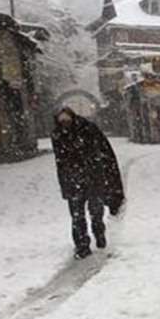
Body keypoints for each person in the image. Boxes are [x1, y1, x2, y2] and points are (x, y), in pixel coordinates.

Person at [51, 107, 124, 259]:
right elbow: (60, 161)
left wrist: (103, 174)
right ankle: (82, 245)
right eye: (62, 121)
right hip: (72, 178)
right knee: (77, 215)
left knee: (95, 211)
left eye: (67, 120)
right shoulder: (57, 135)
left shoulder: (88, 129)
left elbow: (103, 151)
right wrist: (64, 184)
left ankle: (99, 232)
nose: (65, 124)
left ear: (72, 118)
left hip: (92, 176)